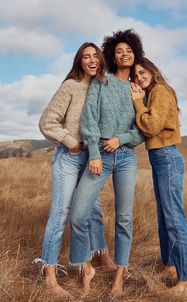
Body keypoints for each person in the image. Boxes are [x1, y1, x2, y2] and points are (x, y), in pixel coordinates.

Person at [33, 42, 115, 299]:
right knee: (61, 214)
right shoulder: (70, 86)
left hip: (93, 159)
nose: (91, 60)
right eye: (85, 57)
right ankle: (48, 272)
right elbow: (47, 122)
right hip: (69, 159)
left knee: (94, 209)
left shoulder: (105, 88)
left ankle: (101, 256)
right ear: (79, 62)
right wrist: (71, 142)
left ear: (101, 60)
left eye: (95, 56)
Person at [69, 29, 145, 297]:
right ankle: (86, 267)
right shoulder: (102, 83)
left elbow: (141, 130)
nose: (124, 54)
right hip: (100, 155)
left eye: (129, 51)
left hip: (126, 157)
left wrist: (120, 138)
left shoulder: (139, 90)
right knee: (78, 215)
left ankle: (119, 278)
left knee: (124, 219)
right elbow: (88, 120)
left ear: (136, 55)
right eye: (119, 51)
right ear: (112, 56)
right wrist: (95, 153)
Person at [130, 57, 187, 297]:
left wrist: (137, 103)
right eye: (135, 75)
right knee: (164, 216)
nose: (139, 77)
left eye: (142, 71)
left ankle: (185, 282)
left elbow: (151, 126)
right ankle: (170, 267)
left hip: (167, 157)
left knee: (174, 218)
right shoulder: (153, 93)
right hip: (160, 158)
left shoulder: (160, 91)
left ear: (152, 70)